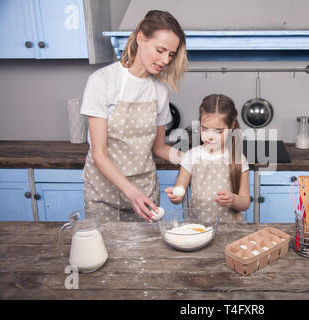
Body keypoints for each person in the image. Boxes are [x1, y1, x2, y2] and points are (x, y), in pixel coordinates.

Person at [80, 10, 188, 222]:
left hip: (145, 194)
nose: (165, 60)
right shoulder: (102, 82)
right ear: (140, 38)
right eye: (160, 50)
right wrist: (132, 192)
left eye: (171, 54)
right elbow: (99, 154)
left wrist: (193, 159)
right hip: (104, 194)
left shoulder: (160, 91)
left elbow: (159, 148)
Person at [165, 94, 251, 223]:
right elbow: (180, 191)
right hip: (198, 228)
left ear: (231, 126)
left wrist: (234, 200)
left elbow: (245, 203)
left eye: (218, 131)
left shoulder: (238, 159)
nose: (210, 137)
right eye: (205, 129)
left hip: (231, 228)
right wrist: (176, 196)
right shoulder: (191, 156)